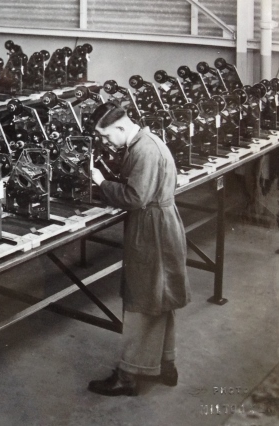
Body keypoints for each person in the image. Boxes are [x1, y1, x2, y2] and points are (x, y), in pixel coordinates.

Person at [86, 103, 191, 396]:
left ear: (120, 127)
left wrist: (101, 181)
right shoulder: (148, 141)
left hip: (151, 229)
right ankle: (165, 365)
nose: (105, 143)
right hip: (162, 224)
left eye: (106, 136)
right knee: (161, 299)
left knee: (141, 302)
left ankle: (128, 376)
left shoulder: (144, 150)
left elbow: (134, 197)